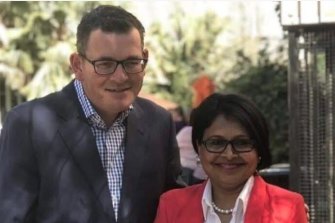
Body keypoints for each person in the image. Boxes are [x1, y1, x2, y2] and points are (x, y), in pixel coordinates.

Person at [0, 5, 183, 223]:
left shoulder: (159, 122)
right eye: (105, 64)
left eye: (131, 62)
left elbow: (175, 208)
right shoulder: (28, 124)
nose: (120, 76)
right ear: (77, 65)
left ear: (144, 59)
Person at [155, 93, 308, 223]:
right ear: (199, 148)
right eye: (216, 143)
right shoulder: (172, 205)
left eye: (242, 143)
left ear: (259, 149)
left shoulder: (290, 207)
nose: (229, 155)